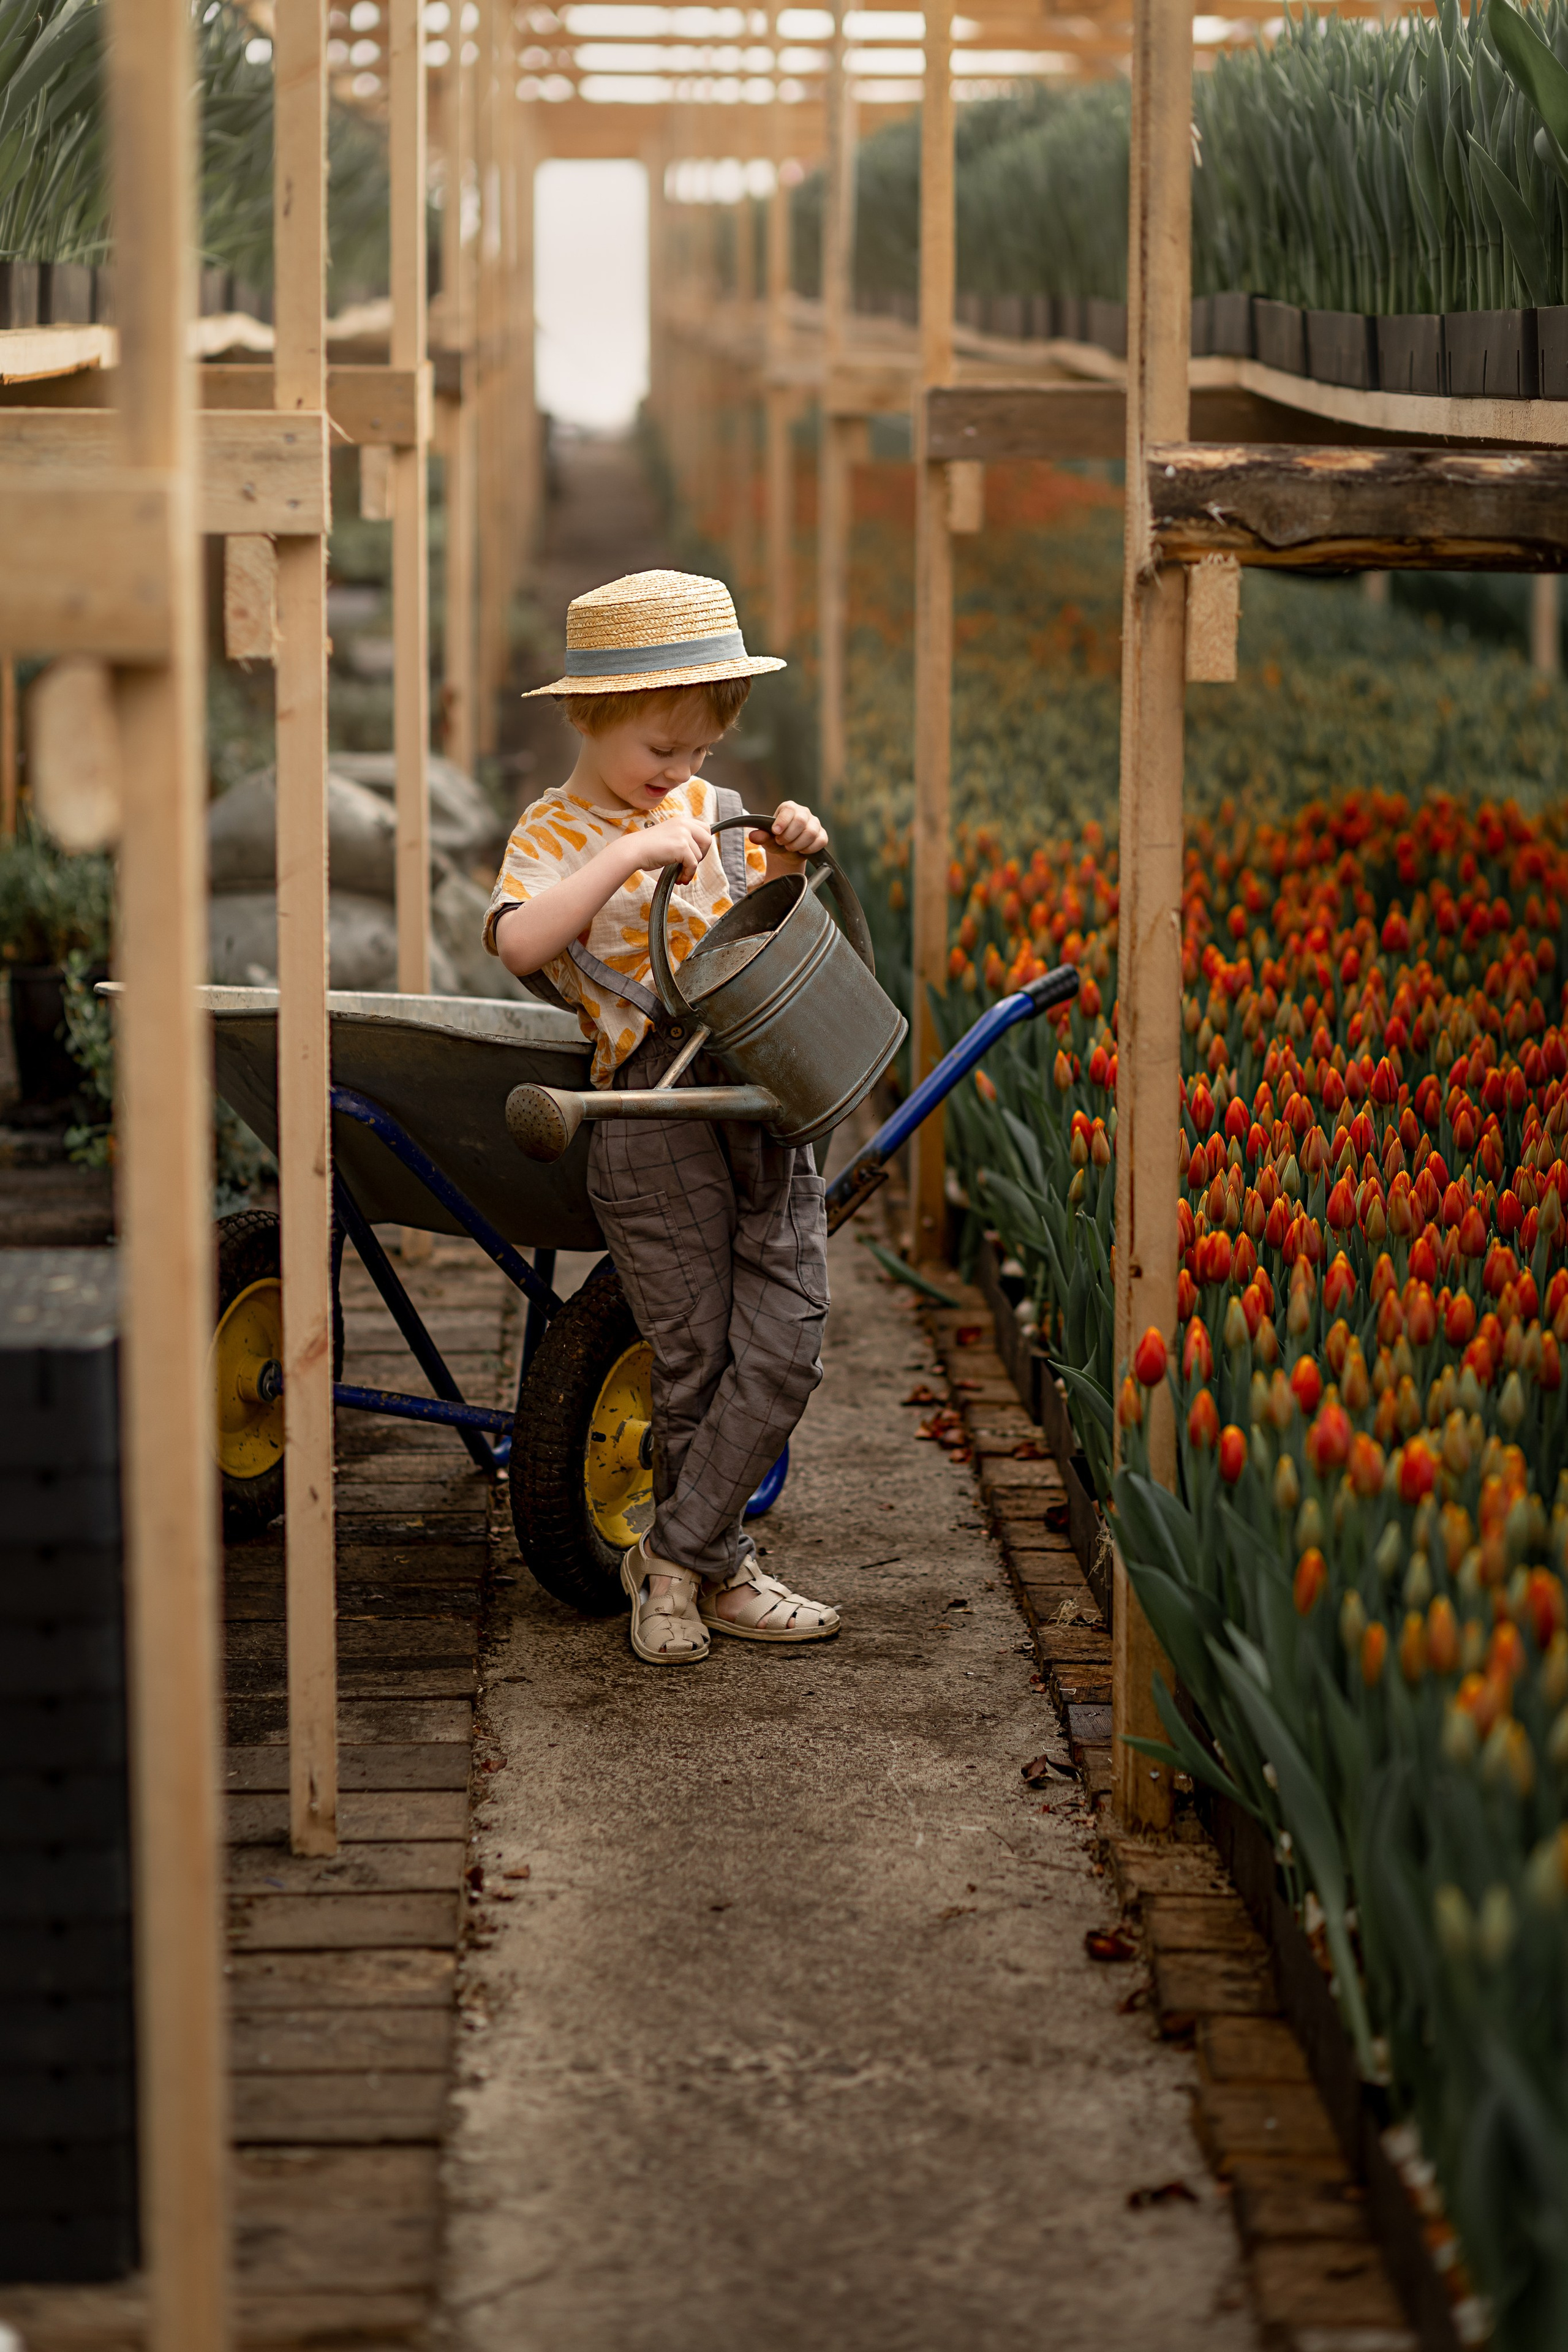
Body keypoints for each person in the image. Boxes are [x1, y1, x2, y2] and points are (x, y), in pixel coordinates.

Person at [484, 568, 841, 1667]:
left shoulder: (711, 811)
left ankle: (675, 1557)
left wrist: (789, 858)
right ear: (591, 715)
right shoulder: (553, 833)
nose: (681, 773)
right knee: (695, 1358)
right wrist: (622, 855)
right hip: (647, 1108)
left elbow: (753, 936)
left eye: (700, 751)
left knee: (786, 1344)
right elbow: (518, 942)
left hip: (760, 1088)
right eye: (660, 748)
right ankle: (709, 1574)